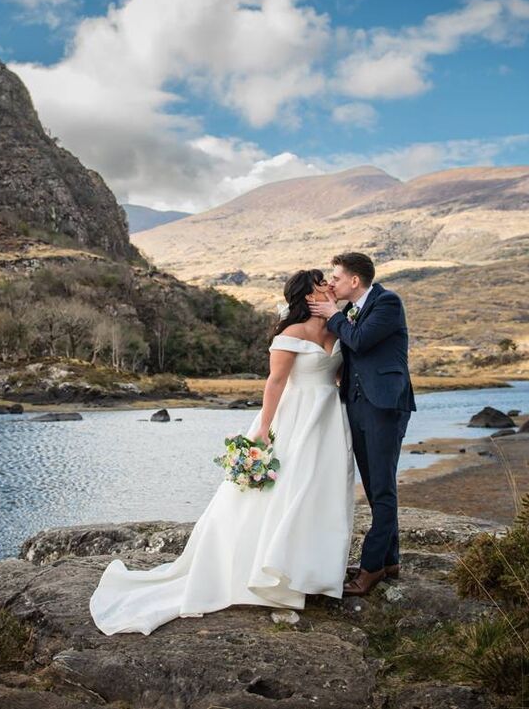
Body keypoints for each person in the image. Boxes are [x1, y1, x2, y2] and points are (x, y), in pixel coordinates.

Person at [89, 268, 355, 635]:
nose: (327, 286)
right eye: (319, 283)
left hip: (328, 419)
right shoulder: (290, 334)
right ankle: (270, 574)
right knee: (285, 491)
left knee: (317, 493)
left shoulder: (339, 327)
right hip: (295, 419)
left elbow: (341, 375)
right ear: (306, 295)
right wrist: (263, 429)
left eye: (328, 281)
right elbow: (275, 382)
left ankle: (310, 571)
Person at [306, 251, 417, 597]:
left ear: (355, 281)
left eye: (336, 278)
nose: (332, 282)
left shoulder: (387, 303)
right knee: (374, 485)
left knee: (382, 486)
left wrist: (334, 316)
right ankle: (390, 560)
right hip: (358, 405)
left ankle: (370, 569)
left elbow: (360, 340)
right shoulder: (352, 309)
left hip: (384, 406)